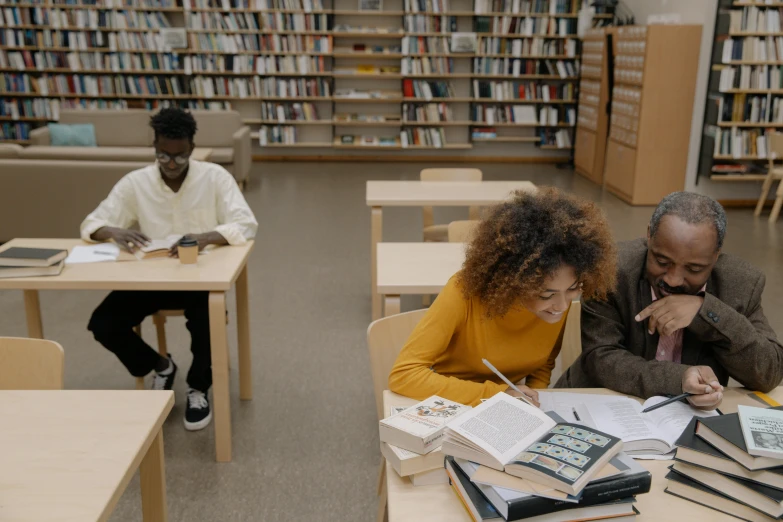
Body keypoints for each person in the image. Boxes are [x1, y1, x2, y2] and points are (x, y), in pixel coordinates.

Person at [81, 108, 258, 431]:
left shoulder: (215, 177)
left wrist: (205, 237)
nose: (172, 164)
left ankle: (198, 387)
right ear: (154, 147)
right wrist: (113, 231)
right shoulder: (136, 182)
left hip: (201, 277)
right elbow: (92, 222)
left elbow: (246, 224)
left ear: (191, 147)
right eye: (164, 155)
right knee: (103, 323)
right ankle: (160, 366)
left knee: (207, 322)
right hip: (151, 277)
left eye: (180, 155)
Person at [388, 188, 617, 407]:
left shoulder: (557, 300)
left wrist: (537, 395)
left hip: (507, 404)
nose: (562, 305)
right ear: (516, 282)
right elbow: (404, 375)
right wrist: (496, 395)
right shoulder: (462, 292)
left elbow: (543, 363)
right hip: (451, 400)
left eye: (573, 289)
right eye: (546, 294)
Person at [556, 192, 783, 410]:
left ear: (716, 255)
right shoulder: (611, 270)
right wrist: (678, 380)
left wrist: (707, 312)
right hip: (598, 404)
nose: (673, 280)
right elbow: (600, 359)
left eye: (694, 269)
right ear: (649, 236)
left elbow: (768, 373)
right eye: (661, 261)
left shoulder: (741, 284)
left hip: (683, 421)